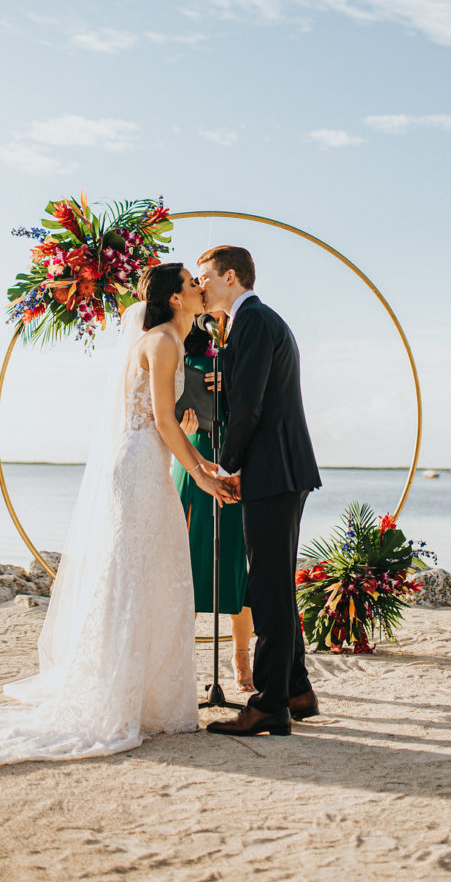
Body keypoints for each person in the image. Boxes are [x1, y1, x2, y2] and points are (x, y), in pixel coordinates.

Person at [0, 263, 235, 771]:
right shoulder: (163, 341)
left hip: (143, 462)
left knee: (145, 573)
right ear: (172, 298)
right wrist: (203, 477)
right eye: (191, 283)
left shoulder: (161, 338)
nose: (198, 287)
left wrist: (202, 462)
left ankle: (143, 696)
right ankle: (125, 697)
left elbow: (161, 420)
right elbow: (162, 421)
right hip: (142, 467)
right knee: (139, 575)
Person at [196, 245, 322, 737]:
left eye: (205, 276)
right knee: (275, 583)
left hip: (271, 469)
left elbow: (247, 408)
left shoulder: (251, 322)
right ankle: (296, 687)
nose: (201, 285)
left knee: (268, 588)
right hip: (282, 467)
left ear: (230, 277)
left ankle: (269, 704)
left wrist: (229, 466)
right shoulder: (259, 320)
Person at [171, 313, 254, 692]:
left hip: (234, 460)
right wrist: (182, 423)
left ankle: (241, 657)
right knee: (182, 563)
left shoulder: (240, 349)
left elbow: (259, 400)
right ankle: (177, 663)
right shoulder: (179, 354)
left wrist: (234, 383)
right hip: (192, 456)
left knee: (236, 565)